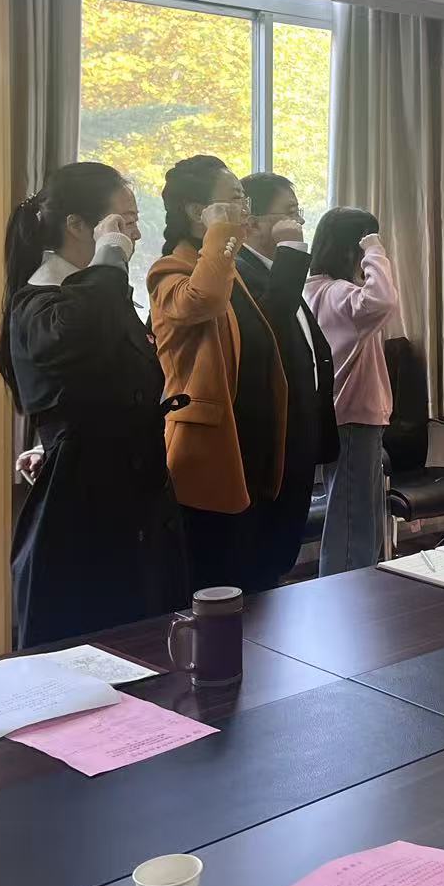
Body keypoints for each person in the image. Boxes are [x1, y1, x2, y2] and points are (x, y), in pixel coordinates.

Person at [0, 162, 188, 648]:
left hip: (135, 497)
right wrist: (108, 259)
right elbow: (74, 338)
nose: (134, 234)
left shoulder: (93, 292)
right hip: (84, 508)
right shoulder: (42, 301)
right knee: (97, 650)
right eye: (124, 222)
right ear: (77, 225)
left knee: (149, 646)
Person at [148, 155, 289, 593]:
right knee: (218, 581)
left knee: (256, 579)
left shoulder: (224, 266)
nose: (245, 207)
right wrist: (221, 233)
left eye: (244, 198)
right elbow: (203, 299)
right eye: (235, 198)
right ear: (198, 211)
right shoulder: (170, 270)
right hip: (208, 449)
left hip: (251, 444)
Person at [238, 173, 339, 582]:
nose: (298, 222)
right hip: (269, 440)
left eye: (298, 213)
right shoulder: (242, 274)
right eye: (289, 213)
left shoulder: (280, 273)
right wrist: (292, 253)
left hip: (299, 433)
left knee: (283, 550)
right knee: (264, 556)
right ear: (252, 222)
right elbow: (268, 329)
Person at [304, 208, 399, 575]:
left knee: (356, 514)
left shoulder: (312, 290)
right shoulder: (338, 293)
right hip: (354, 417)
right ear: (351, 249)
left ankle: (358, 590)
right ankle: (347, 595)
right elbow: (383, 300)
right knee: (353, 520)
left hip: (343, 415)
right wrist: (374, 248)